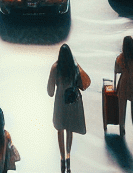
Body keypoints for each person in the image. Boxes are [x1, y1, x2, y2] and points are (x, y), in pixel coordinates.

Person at [47, 43, 90, 172]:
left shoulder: (55, 68)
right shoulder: (74, 67)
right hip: (71, 101)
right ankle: (68, 154)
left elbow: (50, 91)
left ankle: (61, 158)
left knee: (60, 128)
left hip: (60, 101)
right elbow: (81, 83)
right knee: (69, 128)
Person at [115, 35, 133, 139]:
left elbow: (117, 70)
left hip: (124, 83)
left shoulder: (121, 57)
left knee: (122, 109)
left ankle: (122, 130)